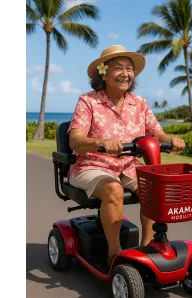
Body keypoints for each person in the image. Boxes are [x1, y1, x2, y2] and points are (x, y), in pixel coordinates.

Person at [67, 45, 185, 264]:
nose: (125, 74)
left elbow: (157, 133)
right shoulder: (88, 101)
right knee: (113, 188)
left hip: (128, 166)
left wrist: (171, 140)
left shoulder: (139, 103)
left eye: (129, 69)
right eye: (118, 68)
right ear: (104, 72)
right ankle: (115, 253)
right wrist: (100, 142)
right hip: (92, 166)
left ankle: (148, 249)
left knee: (154, 187)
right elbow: (75, 140)